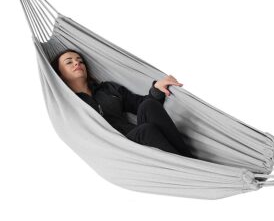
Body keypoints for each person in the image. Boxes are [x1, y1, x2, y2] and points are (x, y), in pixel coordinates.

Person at [50, 48, 195, 158]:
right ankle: (188, 165)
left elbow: (141, 104)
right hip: (117, 149)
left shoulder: (108, 89)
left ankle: (190, 162)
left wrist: (156, 89)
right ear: (60, 75)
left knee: (148, 105)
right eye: (69, 62)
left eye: (80, 61)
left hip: (135, 135)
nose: (77, 63)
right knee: (146, 130)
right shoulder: (68, 103)